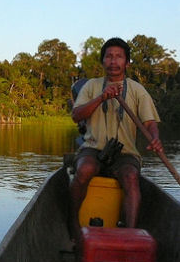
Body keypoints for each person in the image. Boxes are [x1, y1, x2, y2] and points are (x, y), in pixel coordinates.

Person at [69, 37, 163, 243]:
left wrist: (155, 139)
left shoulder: (138, 90)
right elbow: (77, 115)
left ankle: (130, 235)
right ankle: (73, 224)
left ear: (127, 63)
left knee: (130, 176)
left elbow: (150, 123)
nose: (113, 61)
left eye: (119, 57)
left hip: (126, 153)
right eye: (109, 56)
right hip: (93, 148)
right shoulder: (92, 86)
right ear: (103, 61)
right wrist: (102, 97)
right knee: (84, 169)